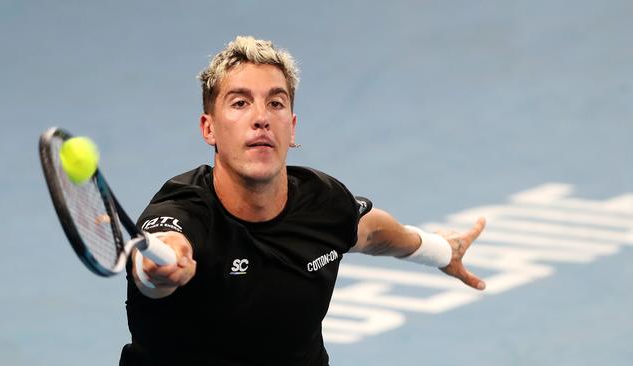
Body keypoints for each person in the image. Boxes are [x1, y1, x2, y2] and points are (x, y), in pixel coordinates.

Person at [119, 36, 486, 366]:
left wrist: (440, 250)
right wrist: (160, 272)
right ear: (209, 128)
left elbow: (371, 232)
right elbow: (162, 253)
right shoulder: (182, 208)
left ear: (291, 126)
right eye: (240, 103)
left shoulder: (323, 203)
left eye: (275, 103)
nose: (261, 118)